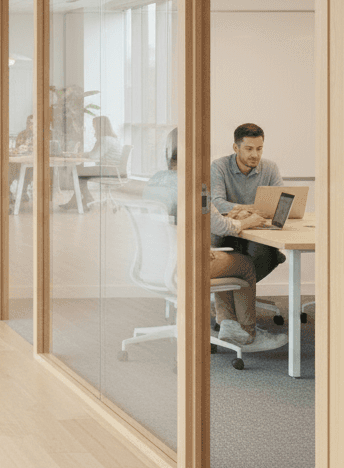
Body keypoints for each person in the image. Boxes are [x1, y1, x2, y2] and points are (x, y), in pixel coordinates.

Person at [143, 129, 288, 351]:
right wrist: (245, 223)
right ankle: (249, 334)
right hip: (186, 262)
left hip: (156, 262)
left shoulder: (156, 180)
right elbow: (218, 224)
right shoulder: (193, 185)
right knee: (244, 264)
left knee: (227, 257)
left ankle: (229, 324)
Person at [210, 123, 285, 281]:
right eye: (249, 149)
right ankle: (240, 290)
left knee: (265, 253)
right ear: (236, 148)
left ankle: (240, 291)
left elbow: (280, 201)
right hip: (229, 232)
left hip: (258, 231)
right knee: (256, 257)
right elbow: (216, 202)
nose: (255, 155)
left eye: (259, 149)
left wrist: (251, 214)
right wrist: (250, 210)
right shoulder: (219, 167)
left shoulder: (270, 168)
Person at [59, 115, 122, 211]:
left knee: (77, 171)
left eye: (94, 126)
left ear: (100, 127)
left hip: (108, 170)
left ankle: (85, 199)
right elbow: (93, 154)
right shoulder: (112, 138)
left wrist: (78, 155)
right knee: (78, 171)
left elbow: (94, 156)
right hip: (113, 170)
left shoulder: (105, 139)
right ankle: (78, 201)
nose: (94, 129)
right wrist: (77, 155)